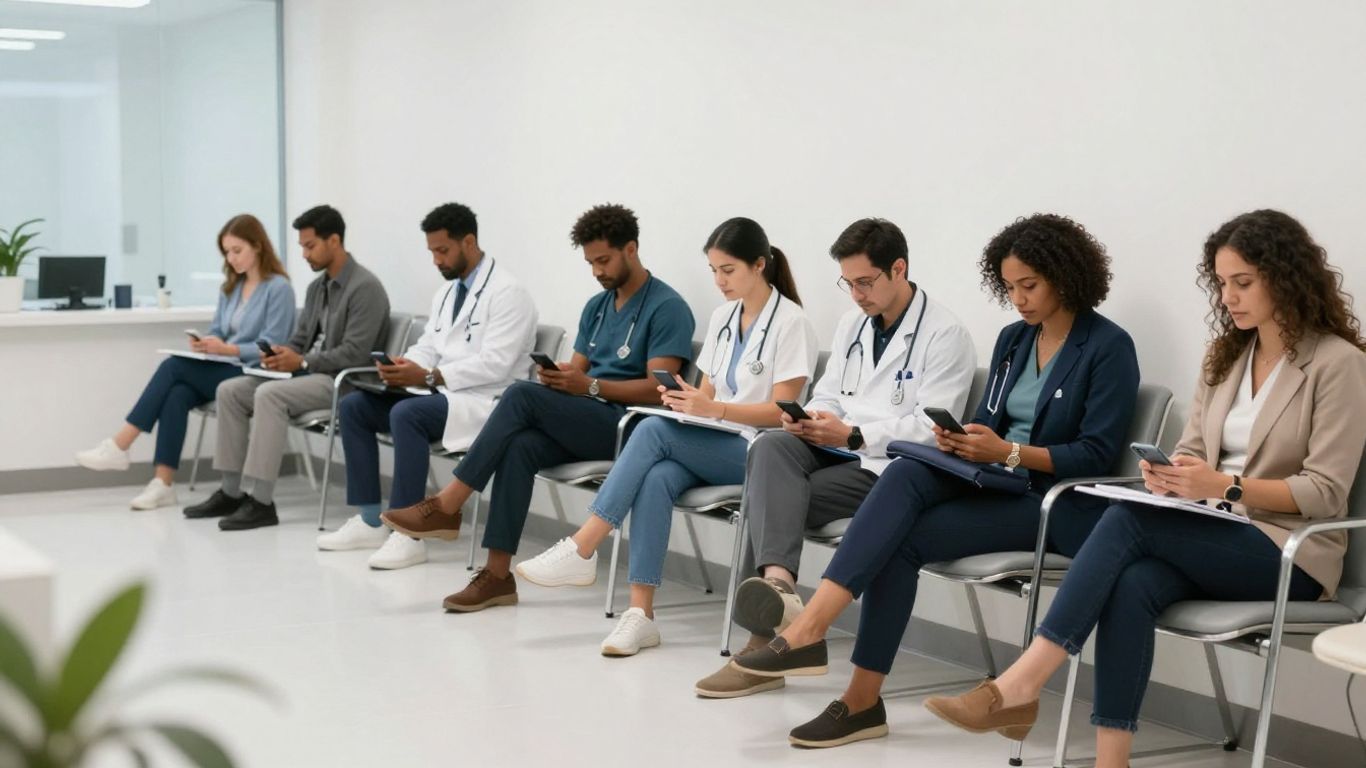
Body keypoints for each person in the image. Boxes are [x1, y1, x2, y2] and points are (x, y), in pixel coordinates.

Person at [925, 209, 1366, 768]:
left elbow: (1325, 492)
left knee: (1128, 523)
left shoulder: (1338, 364)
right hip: (1211, 531)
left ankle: (1020, 684)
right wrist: (1174, 474)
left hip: (1289, 552)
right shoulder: (1227, 357)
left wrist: (1223, 487)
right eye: (1222, 283)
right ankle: (1113, 760)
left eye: (1243, 283)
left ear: (1286, 276)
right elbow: (1193, 449)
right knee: (1133, 581)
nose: (1227, 297)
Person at [728, 214, 1140, 748]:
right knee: (906, 479)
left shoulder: (1108, 346)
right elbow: (989, 422)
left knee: (900, 502)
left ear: (1066, 276)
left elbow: (1097, 454)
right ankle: (860, 702)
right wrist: (963, 440)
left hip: (1053, 503)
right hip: (992, 478)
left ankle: (809, 632)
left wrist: (1008, 451)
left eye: (1029, 286)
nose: (1018, 299)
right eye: (1009, 287)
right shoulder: (1015, 340)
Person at [694, 217, 977, 698]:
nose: (856, 295)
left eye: (865, 282)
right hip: (835, 450)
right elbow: (831, 395)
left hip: (888, 470)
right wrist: (812, 419)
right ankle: (781, 590)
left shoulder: (945, 333)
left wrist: (854, 434)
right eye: (848, 283)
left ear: (899, 269)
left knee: (769, 501)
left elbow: (931, 431)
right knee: (769, 445)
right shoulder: (852, 324)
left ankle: (760, 648)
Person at [515, 217, 819, 656]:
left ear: (759, 265)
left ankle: (583, 547)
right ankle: (641, 615)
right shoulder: (723, 317)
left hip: (762, 451)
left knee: (653, 429)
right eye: (713, 271)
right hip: (716, 440)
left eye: (728, 270)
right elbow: (708, 394)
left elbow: (782, 412)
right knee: (657, 474)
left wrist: (713, 409)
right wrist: (690, 403)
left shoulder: (792, 322)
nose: (719, 281)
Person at [380, 203, 696, 613]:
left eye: (604, 260)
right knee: (520, 445)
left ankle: (449, 503)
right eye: (590, 263)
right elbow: (578, 370)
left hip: (629, 430)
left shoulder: (667, 307)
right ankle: (496, 576)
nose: (597, 271)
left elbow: (661, 390)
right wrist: (561, 377)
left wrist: (591, 385)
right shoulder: (597, 307)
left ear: (631, 249)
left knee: (518, 394)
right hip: (589, 418)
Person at [316, 202, 538, 569]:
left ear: (468, 242)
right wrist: (408, 365)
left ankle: (409, 536)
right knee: (354, 406)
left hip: (486, 402)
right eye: (432, 251)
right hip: (442, 393)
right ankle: (372, 520)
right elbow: (430, 345)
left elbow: (496, 364)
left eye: (442, 250)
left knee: (407, 414)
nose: (436, 260)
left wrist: (432, 377)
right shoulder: (448, 293)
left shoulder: (508, 293)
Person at [183, 205, 391, 531]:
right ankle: (231, 490)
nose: (304, 254)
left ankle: (262, 502)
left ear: (334, 241)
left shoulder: (365, 288)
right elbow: (301, 338)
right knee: (231, 390)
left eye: (310, 246)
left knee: (269, 395)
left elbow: (355, 354)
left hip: (342, 382)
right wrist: (281, 354)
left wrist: (304, 361)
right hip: (307, 374)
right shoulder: (317, 288)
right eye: (302, 246)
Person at [75, 214, 295, 510]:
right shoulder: (230, 288)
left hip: (254, 374)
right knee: (176, 393)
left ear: (258, 246)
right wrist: (206, 343)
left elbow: (273, 346)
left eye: (237, 250)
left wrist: (227, 349)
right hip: (223, 369)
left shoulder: (278, 288)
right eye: (226, 252)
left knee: (172, 368)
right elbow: (219, 329)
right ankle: (162, 484)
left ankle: (121, 443)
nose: (231, 259)